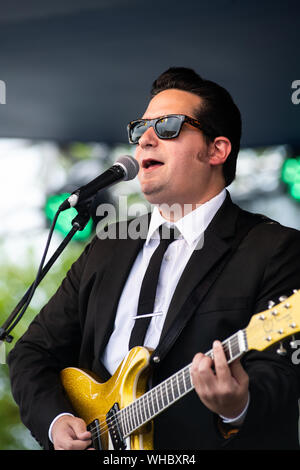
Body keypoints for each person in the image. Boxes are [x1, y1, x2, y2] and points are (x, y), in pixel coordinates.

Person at [8, 67, 300, 450]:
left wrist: (237, 405)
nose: (145, 139)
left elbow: (284, 371)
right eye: (141, 128)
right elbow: (32, 352)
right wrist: (57, 422)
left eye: (168, 126)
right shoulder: (107, 245)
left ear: (217, 150)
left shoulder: (275, 248)